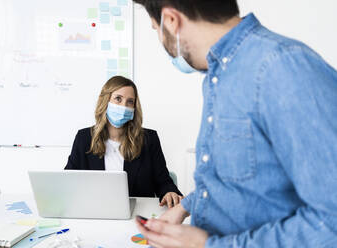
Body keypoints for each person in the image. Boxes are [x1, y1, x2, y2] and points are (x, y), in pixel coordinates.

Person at [133, 0, 337, 247]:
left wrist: (208, 246)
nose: (160, 40)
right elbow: (244, 177)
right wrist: (186, 206)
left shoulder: (282, 67)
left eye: (155, 29)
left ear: (171, 21)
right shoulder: (218, 75)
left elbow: (331, 221)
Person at [65, 76, 183, 208]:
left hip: (137, 215)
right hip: (95, 212)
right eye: (118, 99)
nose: (124, 106)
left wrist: (170, 192)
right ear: (105, 101)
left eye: (130, 102)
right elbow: (68, 181)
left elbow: (163, 181)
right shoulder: (84, 138)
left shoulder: (149, 139)